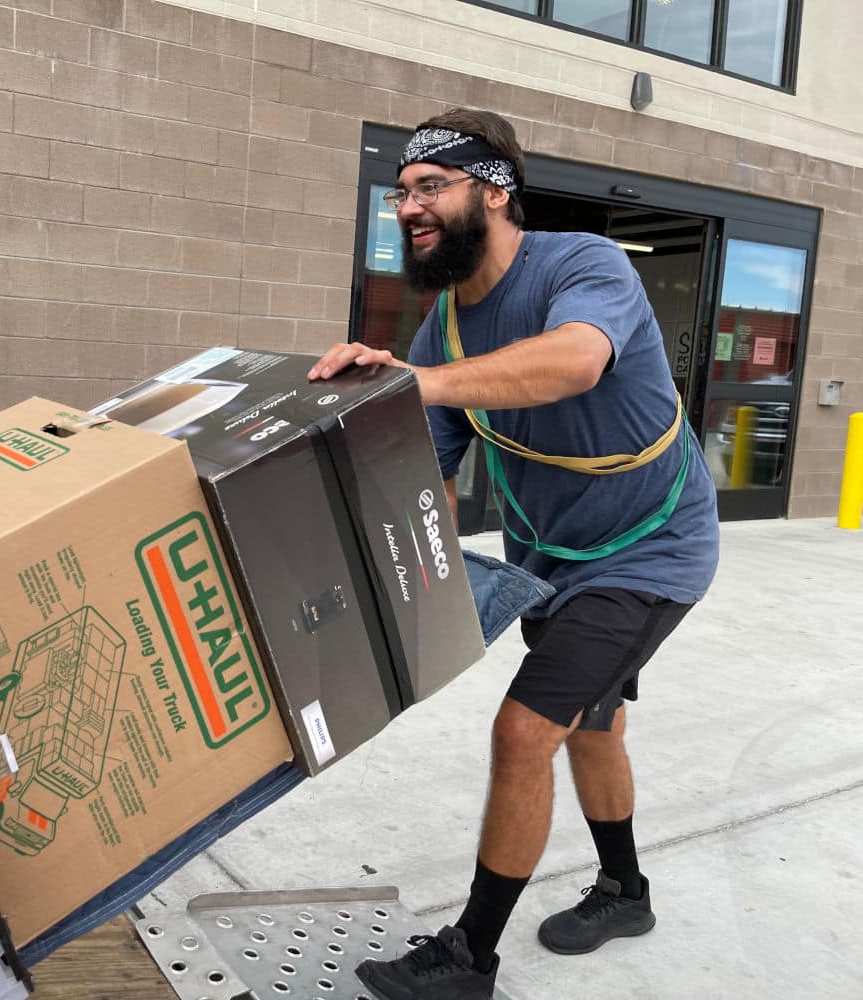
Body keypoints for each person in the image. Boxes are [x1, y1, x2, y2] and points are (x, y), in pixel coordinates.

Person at [308, 107, 719, 1000]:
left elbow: (577, 360)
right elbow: (421, 477)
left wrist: (419, 381)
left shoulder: (583, 265)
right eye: (401, 194)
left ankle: (469, 960)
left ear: (493, 191)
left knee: (526, 730)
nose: (409, 207)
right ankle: (625, 892)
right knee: (594, 721)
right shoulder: (444, 329)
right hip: (552, 561)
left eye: (430, 187)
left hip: (652, 548)